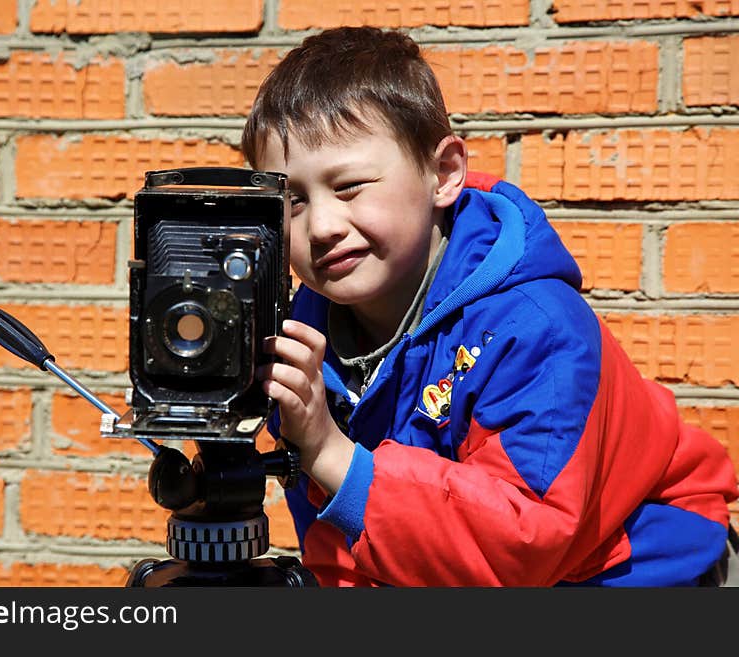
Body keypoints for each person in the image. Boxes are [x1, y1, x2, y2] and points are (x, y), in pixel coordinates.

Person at [241, 26, 739, 586]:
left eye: (351, 186)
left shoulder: (536, 327)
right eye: (292, 200)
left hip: (641, 571)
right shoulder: (307, 330)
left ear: (444, 174)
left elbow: (524, 542)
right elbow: (340, 534)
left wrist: (332, 452)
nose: (322, 227)